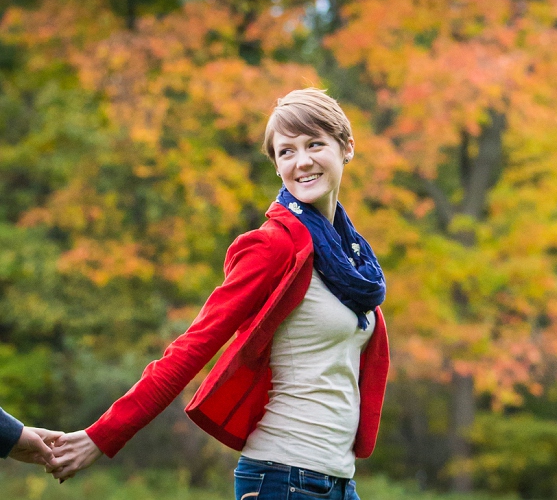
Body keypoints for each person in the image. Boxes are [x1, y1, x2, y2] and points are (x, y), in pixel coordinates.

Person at [49, 88, 390, 500]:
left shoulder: (353, 261)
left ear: (346, 147)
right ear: (277, 165)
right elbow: (192, 348)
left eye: (314, 144)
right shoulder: (274, 247)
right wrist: (102, 435)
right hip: (283, 479)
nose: (301, 161)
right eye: (286, 152)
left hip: (338, 480)